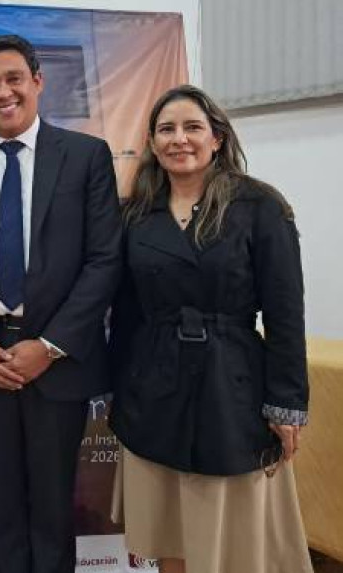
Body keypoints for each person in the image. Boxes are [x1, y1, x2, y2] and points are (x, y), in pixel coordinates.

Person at [0, 34, 122, 573]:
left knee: (53, 508)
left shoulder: (86, 157)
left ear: (38, 82)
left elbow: (105, 261)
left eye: (14, 78)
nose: (3, 92)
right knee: (1, 506)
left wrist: (51, 345)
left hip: (55, 363)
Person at [108, 84, 312, 573]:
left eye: (192, 127)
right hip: (154, 389)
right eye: (166, 130)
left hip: (232, 389)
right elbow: (127, 313)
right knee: (167, 529)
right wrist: (118, 388)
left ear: (217, 137)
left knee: (232, 538)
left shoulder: (260, 207)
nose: (180, 139)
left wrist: (287, 405)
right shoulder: (135, 215)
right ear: (154, 144)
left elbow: (285, 315)